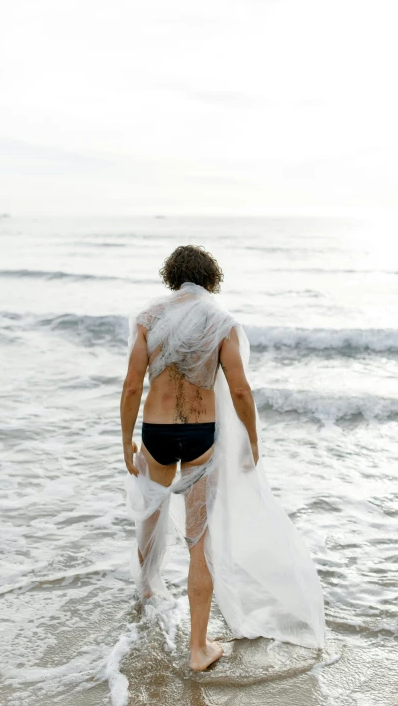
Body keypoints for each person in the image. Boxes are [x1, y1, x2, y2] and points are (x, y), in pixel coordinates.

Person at [121, 245, 325, 672]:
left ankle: (146, 590)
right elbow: (239, 389)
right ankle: (198, 648)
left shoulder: (147, 319)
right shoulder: (220, 322)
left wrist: (126, 440)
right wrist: (253, 439)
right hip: (199, 435)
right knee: (200, 541)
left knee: (150, 516)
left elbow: (131, 386)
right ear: (211, 278)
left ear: (172, 276)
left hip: (156, 431)